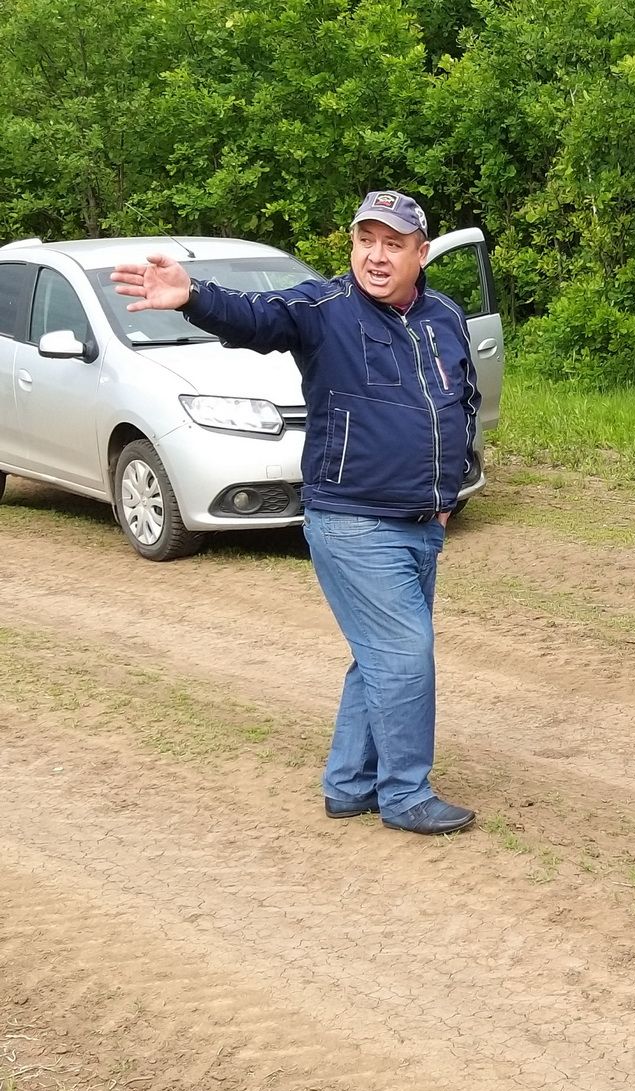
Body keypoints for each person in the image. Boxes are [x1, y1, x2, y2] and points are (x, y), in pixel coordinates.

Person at [112, 191, 481, 836]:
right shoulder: (324, 310)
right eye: (366, 239)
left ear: (421, 255)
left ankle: (348, 784)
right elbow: (256, 316)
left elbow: (462, 404)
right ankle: (405, 793)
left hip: (421, 523)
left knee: (379, 655)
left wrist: (447, 497)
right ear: (351, 247)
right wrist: (193, 295)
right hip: (353, 520)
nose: (376, 254)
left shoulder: (444, 317)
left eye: (393, 243)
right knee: (403, 652)